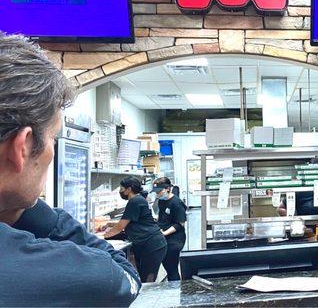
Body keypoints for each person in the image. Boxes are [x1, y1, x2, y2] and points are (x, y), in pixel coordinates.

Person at [0, 33, 141, 306]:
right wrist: (25, 207)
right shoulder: (67, 274)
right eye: (53, 137)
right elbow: (122, 275)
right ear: (24, 146)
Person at [105, 177, 167, 283]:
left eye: (121, 188)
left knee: (147, 281)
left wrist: (103, 236)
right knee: (145, 279)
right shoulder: (138, 199)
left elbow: (121, 226)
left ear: (129, 189)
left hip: (152, 245)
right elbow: (130, 221)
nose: (121, 191)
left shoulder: (135, 201)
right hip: (152, 243)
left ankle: (148, 299)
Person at [152, 177, 187, 281]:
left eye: (159, 191)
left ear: (167, 188)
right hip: (164, 236)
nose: (157, 194)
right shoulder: (161, 201)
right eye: (156, 192)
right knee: (168, 266)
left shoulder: (176, 203)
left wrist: (165, 233)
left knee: (172, 268)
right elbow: (162, 216)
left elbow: (180, 223)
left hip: (175, 239)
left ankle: (175, 291)